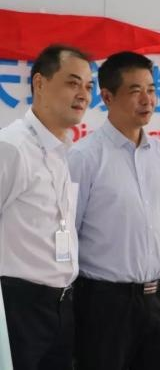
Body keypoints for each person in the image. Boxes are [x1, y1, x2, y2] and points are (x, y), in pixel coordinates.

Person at [68, 51, 160, 370]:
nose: (147, 100)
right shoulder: (84, 157)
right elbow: (67, 233)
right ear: (107, 97)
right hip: (105, 306)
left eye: (151, 90)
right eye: (135, 91)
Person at [0, 44, 93, 370]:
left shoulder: (61, 149)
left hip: (62, 303)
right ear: (39, 83)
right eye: (72, 83)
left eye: (88, 86)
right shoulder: (11, 147)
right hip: (18, 307)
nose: (83, 95)